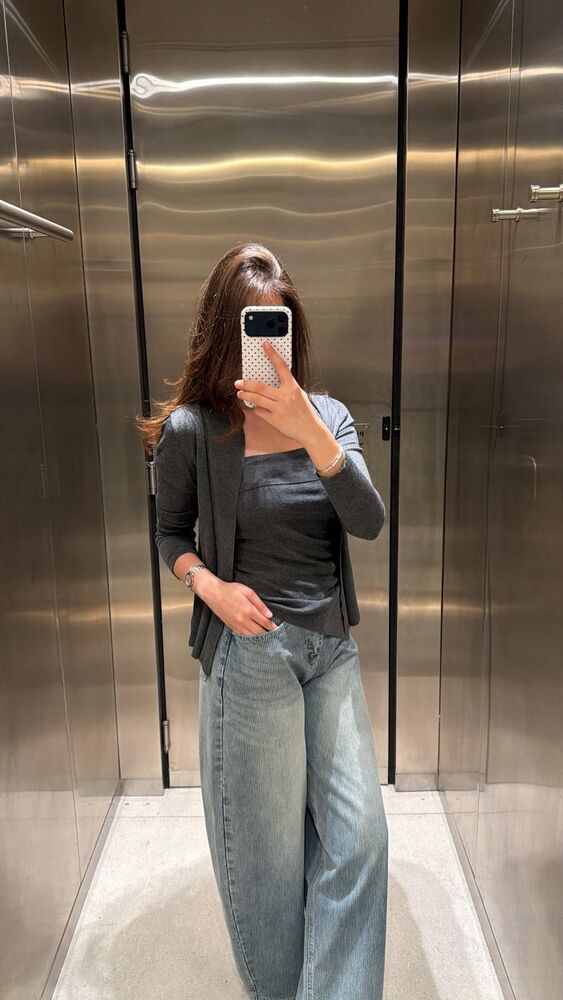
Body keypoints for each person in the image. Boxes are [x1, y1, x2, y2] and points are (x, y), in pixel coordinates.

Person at [139, 242, 388, 1000]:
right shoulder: (192, 431)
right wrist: (209, 587)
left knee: (359, 842)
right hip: (251, 656)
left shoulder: (330, 417)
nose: (270, 345)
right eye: (256, 328)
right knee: (267, 867)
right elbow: (169, 535)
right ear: (228, 333)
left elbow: (368, 521)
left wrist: (311, 432)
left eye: (280, 326)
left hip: (329, 651)